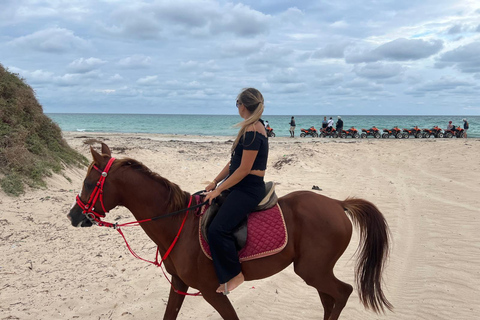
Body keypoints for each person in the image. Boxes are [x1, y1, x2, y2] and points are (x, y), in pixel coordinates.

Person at [204, 88, 268, 295]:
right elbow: (233, 164)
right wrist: (215, 182)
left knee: (217, 230)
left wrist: (220, 189)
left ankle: (235, 274)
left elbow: (244, 170)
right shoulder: (249, 128)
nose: (237, 107)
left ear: (244, 105)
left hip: (248, 188)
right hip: (239, 184)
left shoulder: (253, 131)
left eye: (237, 103)